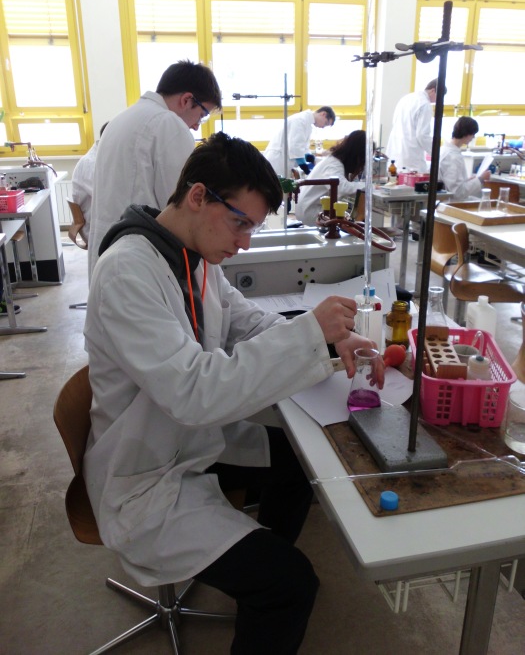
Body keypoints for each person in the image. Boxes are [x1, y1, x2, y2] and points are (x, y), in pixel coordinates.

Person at [84, 132, 382, 655]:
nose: (245, 242)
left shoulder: (193, 256)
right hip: (145, 475)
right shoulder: (127, 272)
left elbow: (247, 324)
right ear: (198, 196)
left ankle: (254, 570)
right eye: (241, 223)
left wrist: (331, 341)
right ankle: (269, 584)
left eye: (253, 228)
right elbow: (193, 392)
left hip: (186, 444)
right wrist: (308, 333)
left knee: (299, 462)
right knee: (292, 585)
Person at [88, 59, 222, 277]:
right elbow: (183, 210)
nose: (197, 125)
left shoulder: (123, 118)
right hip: (140, 260)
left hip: (109, 253)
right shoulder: (169, 125)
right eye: (202, 115)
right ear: (187, 100)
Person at [295, 130, 366, 226]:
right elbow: (341, 188)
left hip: (311, 207)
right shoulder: (334, 164)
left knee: (348, 216)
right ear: (358, 155)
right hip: (312, 212)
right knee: (349, 221)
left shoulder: (334, 161)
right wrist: (368, 186)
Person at [263, 106, 336, 178]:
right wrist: (304, 165)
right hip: (277, 160)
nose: (323, 127)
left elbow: (302, 147)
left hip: (283, 160)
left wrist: (309, 157)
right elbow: (295, 146)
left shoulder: (307, 123)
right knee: (274, 184)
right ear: (323, 114)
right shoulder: (300, 120)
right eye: (325, 123)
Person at [386, 79, 438, 173]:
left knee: (394, 178)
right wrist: (436, 153)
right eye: (438, 97)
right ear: (433, 90)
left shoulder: (406, 98)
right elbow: (422, 135)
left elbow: (395, 122)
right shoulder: (425, 104)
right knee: (410, 180)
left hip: (395, 151)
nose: (436, 101)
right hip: (411, 157)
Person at [71, 121, 109, 244]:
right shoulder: (91, 164)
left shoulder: (101, 157)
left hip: (98, 219)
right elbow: (106, 197)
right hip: (93, 227)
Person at [438, 116, 491, 200]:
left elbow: (452, 183)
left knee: (482, 201)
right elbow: (458, 193)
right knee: (486, 203)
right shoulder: (452, 157)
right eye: (473, 134)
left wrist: (468, 181)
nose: (473, 137)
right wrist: (480, 179)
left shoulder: (446, 150)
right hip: (450, 202)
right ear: (466, 134)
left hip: (450, 200)